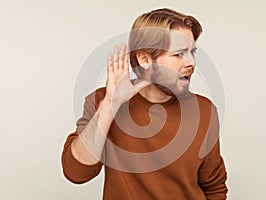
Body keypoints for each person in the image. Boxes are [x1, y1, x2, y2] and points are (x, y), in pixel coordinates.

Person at [61, 8, 228, 199]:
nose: (191, 63)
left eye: (192, 52)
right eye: (179, 54)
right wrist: (110, 104)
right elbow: (76, 172)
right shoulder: (102, 101)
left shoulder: (204, 111)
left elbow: (214, 188)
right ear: (145, 59)